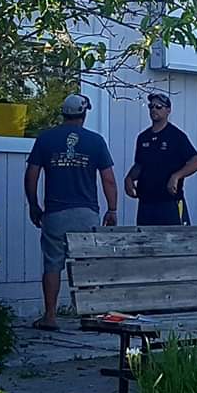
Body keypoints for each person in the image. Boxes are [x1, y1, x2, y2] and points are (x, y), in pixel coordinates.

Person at [24, 93, 117, 331]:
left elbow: (32, 174)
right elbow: (108, 179)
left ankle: (50, 316)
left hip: (55, 214)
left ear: (63, 113)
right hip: (86, 214)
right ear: (84, 115)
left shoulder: (46, 139)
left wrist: (34, 205)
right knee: (86, 264)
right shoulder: (95, 141)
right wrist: (112, 209)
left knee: (53, 264)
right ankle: (89, 317)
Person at [124, 92, 197, 226]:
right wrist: (129, 179)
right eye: (151, 106)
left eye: (159, 106)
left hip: (170, 202)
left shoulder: (177, 136)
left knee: (176, 241)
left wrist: (176, 176)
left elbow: (196, 162)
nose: (154, 109)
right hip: (146, 203)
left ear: (168, 110)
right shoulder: (143, 137)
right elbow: (139, 165)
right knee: (145, 242)